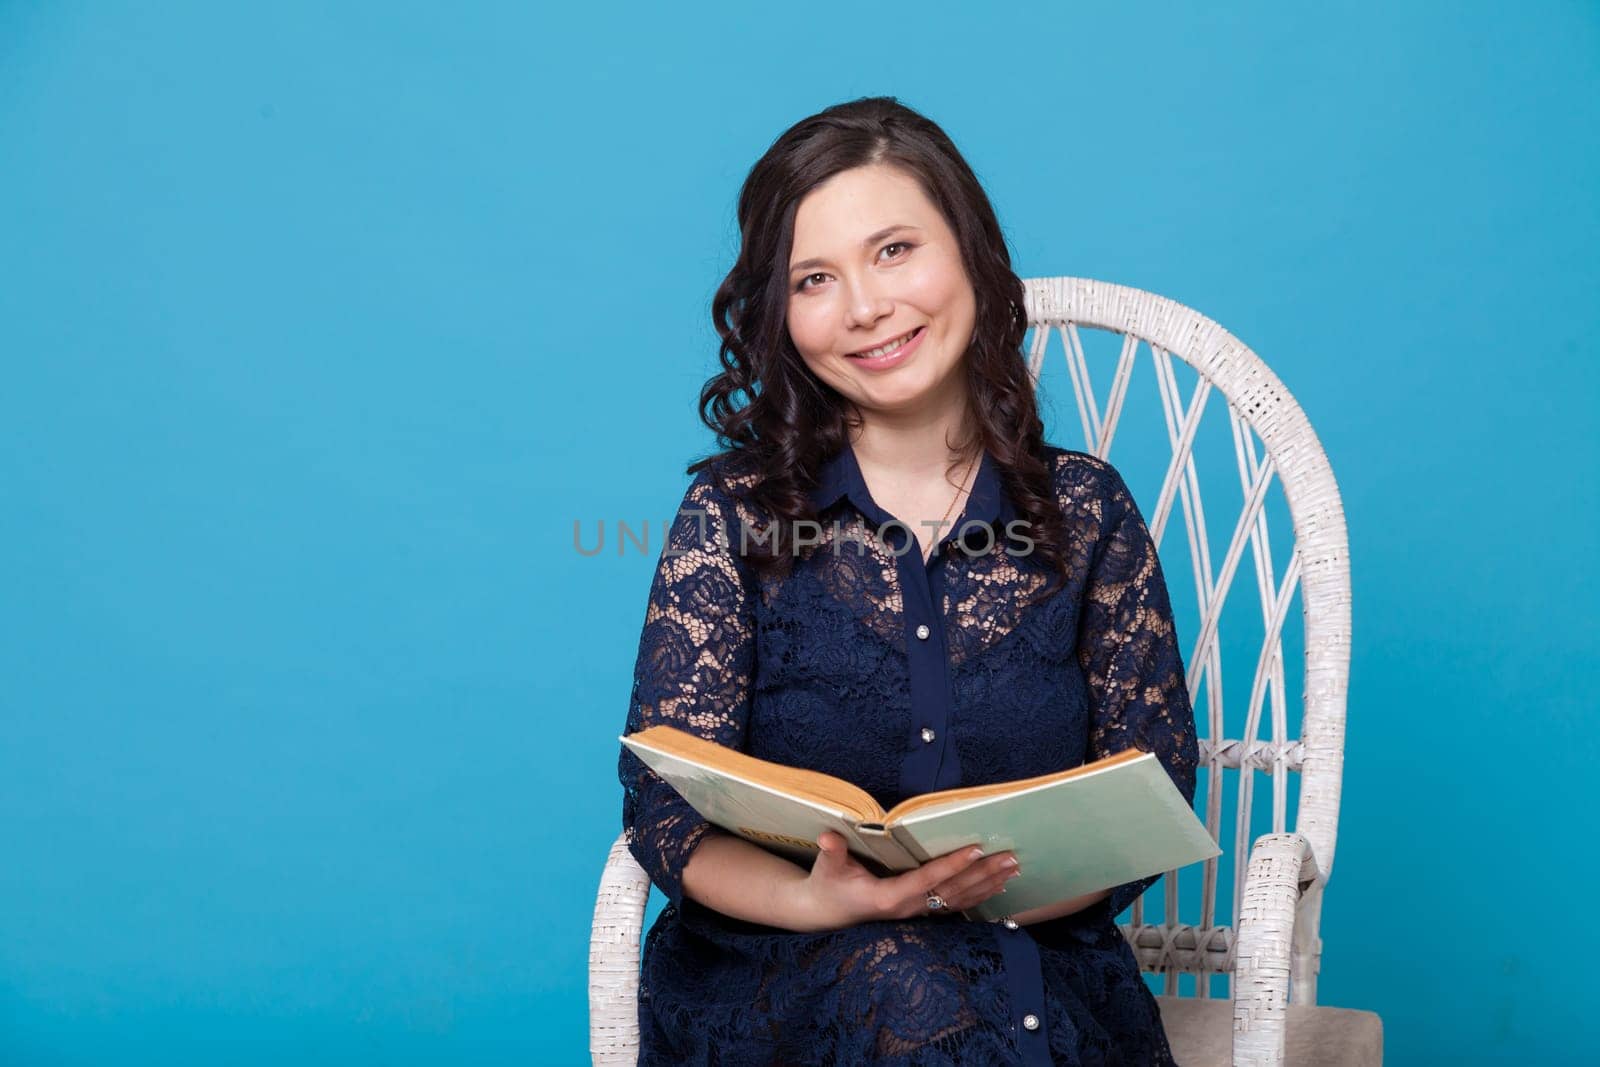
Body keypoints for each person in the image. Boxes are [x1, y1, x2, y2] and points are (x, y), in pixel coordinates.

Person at [617, 96, 1199, 1066]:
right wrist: (818, 897)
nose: (864, 306)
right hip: (783, 967)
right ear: (779, 311)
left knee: (959, 1000)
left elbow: (1151, 787)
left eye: (893, 250)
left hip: (1038, 960)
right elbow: (662, 803)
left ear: (968, 249)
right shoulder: (733, 517)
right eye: (814, 277)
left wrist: (963, 893)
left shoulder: (1087, 510)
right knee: (906, 983)